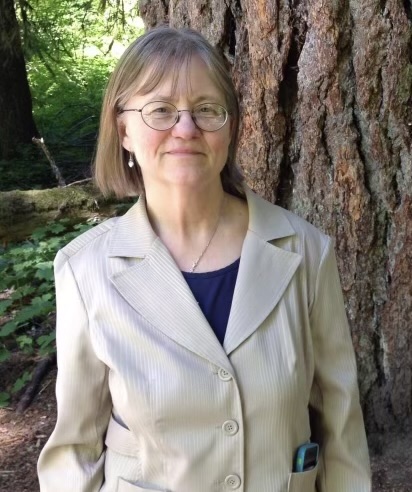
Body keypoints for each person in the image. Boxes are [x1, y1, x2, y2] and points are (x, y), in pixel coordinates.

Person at [37, 26, 371, 492]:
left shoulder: (305, 252)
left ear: (230, 127)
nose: (186, 129)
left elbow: (341, 429)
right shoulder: (85, 270)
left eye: (207, 109)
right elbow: (74, 453)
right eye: (160, 110)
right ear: (124, 130)